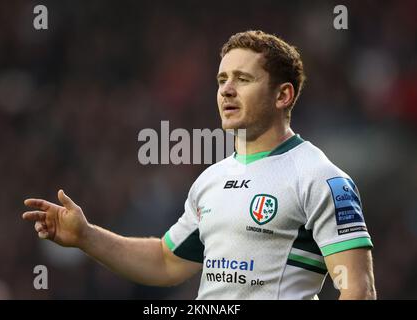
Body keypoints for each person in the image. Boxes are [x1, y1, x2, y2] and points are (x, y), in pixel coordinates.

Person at [22, 30, 376, 299]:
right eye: (222, 80)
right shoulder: (212, 180)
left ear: (283, 95)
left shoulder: (321, 178)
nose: (227, 90)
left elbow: (358, 290)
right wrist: (86, 236)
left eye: (244, 79)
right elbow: (166, 261)